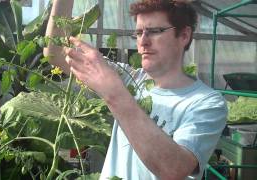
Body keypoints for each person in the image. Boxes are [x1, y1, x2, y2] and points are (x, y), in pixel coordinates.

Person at [44, 0, 228, 179]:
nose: (143, 42)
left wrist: (114, 94)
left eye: (155, 31)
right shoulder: (129, 77)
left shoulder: (206, 102)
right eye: (139, 33)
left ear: (184, 36)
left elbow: (173, 169)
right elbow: (55, 52)